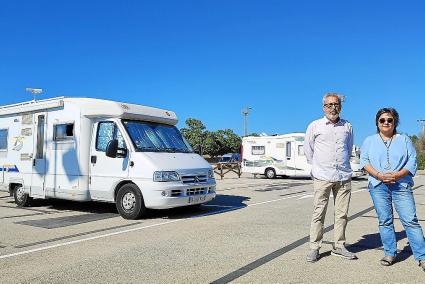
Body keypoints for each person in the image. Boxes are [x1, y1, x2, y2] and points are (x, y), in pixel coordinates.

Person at [360, 107, 425, 271]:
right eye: (382, 120)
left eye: (390, 120)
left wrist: (397, 176)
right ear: (377, 122)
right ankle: (390, 253)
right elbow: (364, 161)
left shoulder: (404, 140)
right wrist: (379, 175)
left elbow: (412, 161)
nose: (386, 122)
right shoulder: (369, 141)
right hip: (378, 184)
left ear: (395, 122)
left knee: (410, 220)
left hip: (401, 184)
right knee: (385, 220)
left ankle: (422, 256)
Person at [304, 93, 357, 262]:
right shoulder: (315, 126)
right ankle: (314, 247)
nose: (333, 108)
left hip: (343, 176)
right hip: (322, 176)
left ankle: (339, 246)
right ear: (323, 107)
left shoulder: (347, 126)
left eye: (336, 104)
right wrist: (317, 168)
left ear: (340, 106)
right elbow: (308, 150)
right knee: (318, 213)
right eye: (329, 105)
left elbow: (348, 150)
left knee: (342, 214)